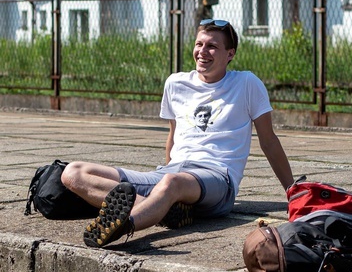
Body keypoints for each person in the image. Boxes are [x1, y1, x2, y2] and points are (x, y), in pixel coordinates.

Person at [61, 19, 295, 248]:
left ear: (230, 54)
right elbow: (172, 137)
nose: (203, 51)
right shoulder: (176, 83)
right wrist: (165, 186)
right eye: (199, 44)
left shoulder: (246, 84)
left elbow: (269, 141)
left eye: (212, 46)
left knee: (172, 183)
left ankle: (124, 225)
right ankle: (161, 208)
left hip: (217, 178)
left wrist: (292, 191)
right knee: (73, 172)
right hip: (173, 172)